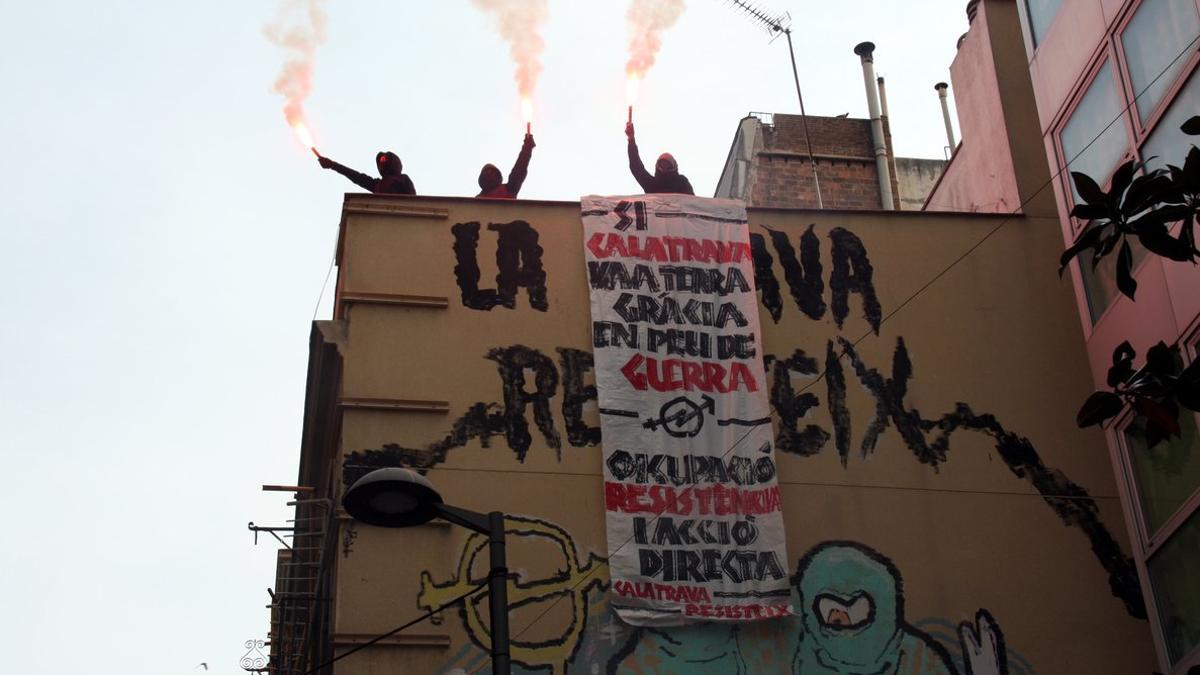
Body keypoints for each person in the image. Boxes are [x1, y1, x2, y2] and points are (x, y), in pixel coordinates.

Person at [626, 122, 694, 195]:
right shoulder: (651, 184)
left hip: (679, 206)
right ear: (657, 166)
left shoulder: (681, 182)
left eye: (667, 165)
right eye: (661, 164)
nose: (664, 167)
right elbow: (636, 167)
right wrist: (631, 139)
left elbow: (692, 202)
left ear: (673, 167)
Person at [317, 151, 415, 195]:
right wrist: (332, 165)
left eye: (385, 159)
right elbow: (356, 177)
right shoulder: (377, 185)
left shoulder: (403, 179)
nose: (382, 163)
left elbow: (414, 203)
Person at [477, 133, 535, 199]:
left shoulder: (509, 189)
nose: (489, 174)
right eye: (487, 173)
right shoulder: (478, 200)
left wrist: (527, 147)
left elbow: (519, 169)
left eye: (492, 172)